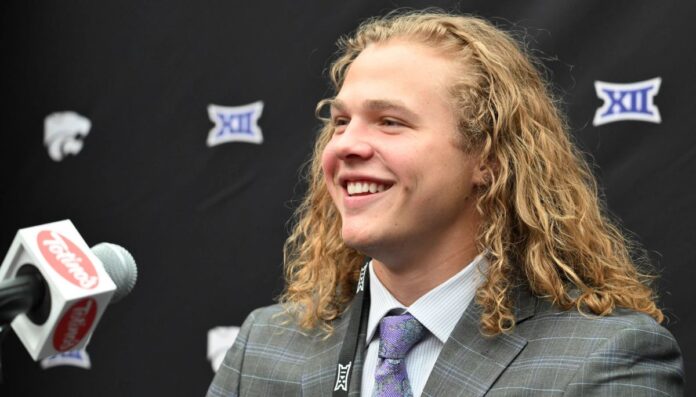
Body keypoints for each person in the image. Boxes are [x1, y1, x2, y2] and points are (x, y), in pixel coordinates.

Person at [207, 10, 684, 397]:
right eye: (340, 121)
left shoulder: (602, 358)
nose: (345, 146)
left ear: (489, 158)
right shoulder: (266, 348)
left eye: (390, 121)